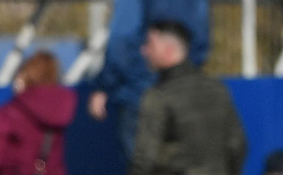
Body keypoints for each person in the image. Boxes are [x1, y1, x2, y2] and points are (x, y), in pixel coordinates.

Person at [116, 19, 247, 175]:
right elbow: (237, 144)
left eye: (149, 44)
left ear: (168, 50)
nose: (144, 51)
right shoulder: (216, 89)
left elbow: (144, 155)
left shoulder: (159, 96)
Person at [88, 0, 211, 164]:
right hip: (184, 91)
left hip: (139, 92)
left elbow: (123, 37)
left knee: (144, 174)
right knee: (179, 173)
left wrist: (105, 84)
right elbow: (201, 39)